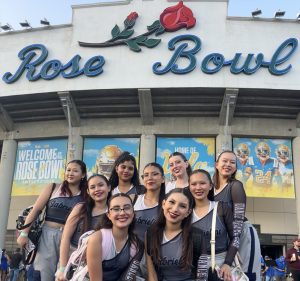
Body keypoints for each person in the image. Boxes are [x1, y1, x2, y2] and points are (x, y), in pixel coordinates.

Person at [17, 160, 88, 281]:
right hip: (48, 235)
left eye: (75, 171)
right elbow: (36, 210)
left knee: (64, 274)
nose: (70, 173)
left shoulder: (86, 194)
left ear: (83, 175)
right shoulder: (54, 187)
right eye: (68, 170)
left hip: (71, 238)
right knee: (43, 272)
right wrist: (24, 233)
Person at [213, 150, 261, 281]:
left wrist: (232, 251)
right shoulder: (210, 189)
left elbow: (238, 221)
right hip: (225, 236)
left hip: (242, 234)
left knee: (245, 275)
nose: (228, 164)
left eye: (232, 162)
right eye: (225, 161)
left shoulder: (235, 186)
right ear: (216, 164)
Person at [146, 188, 208, 281]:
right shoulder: (151, 233)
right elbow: (152, 274)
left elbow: (202, 276)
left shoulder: (197, 236)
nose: (175, 209)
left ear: (188, 212)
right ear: (163, 204)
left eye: (182, 206)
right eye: (172, 202)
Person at [56, 174, 110, 281]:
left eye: (100, 185)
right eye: (93, 187)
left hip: (98, 263)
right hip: (72, 259)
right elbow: (65, 238)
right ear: (88, 192)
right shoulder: (80, 208)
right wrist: (62, 268)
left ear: (109, 187)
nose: (97, 189)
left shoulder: (114, 211)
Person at [189, 169, 240, 281]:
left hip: (221, 267)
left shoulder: (222, 208)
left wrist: (227, 263)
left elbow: (236, 238)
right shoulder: (186, 213)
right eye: (193, 184)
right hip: (193, 268)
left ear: (210, 186)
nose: (198, 187)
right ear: (189, 187)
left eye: (202, 183)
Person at [86, 193, 144, 281]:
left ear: (133, 213)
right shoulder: (97, 239)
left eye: (127, 208)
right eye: (116, 209)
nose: (122, 212)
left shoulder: (135, 244)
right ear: (108, 215)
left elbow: (129, 276)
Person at [134, 162, 166, 279]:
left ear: (163, 179)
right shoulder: (134, 199)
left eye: (154, 174)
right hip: (132, 255)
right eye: (146, 175)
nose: (150, 178)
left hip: (157, 257)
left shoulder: (168, 203)